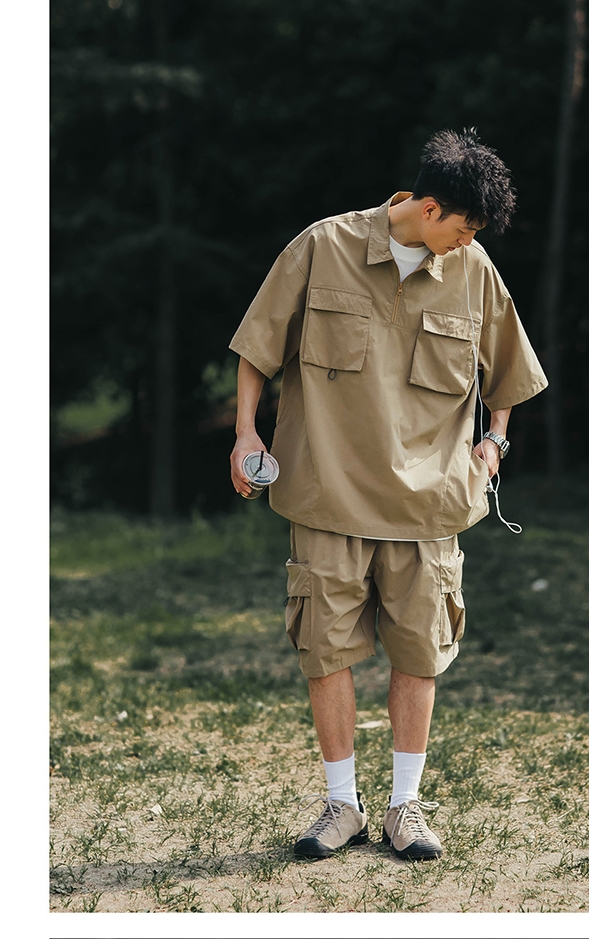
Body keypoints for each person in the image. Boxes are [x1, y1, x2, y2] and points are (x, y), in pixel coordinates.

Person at [228, 128, 547, 862]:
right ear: (430, 209)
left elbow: (510, 371)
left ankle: (406, 807)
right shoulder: (322, 246)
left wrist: (495, 443)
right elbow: (256, 347)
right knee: (325, 652)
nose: (468, 242)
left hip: (429, 507)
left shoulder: (473, 269)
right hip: (326, 494)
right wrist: (246, 433)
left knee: (420, 654)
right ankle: (341, 804)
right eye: (464, 228)